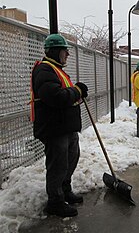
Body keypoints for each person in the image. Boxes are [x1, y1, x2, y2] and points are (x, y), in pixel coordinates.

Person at [30, 34, 88, 217]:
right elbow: (56, 97)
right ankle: (54, 201)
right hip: (54, 129)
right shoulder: (45, 71)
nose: (68, 55)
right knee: (58, 165)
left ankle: (65, 190)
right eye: (65, 51)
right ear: (55, 52)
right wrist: (77, 90)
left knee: (71, 159)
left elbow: (65, 95)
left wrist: (76, 93)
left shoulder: (57, 70)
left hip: (65, 127)